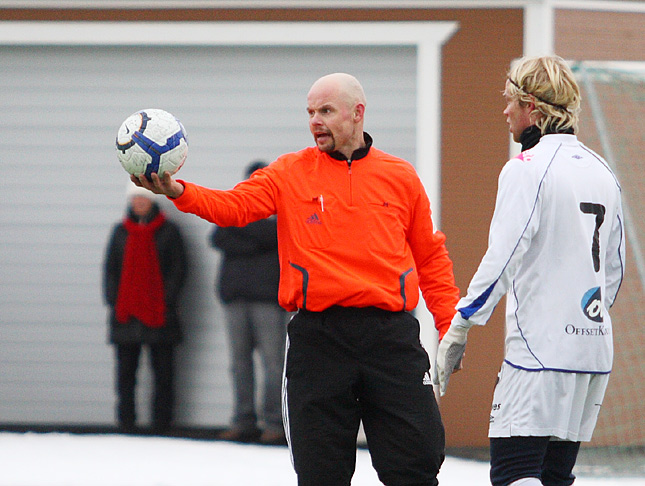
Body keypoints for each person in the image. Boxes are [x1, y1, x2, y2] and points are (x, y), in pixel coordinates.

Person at [132, 72, 460, 485]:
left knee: (415, 466)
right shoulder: (289, 172)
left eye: (325, 111)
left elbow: (431, 258)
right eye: (310, 112)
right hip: (318, 341)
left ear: (357, 113)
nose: (315, 121)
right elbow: (234, 207)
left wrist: (451, 327)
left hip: (390, 339)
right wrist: (180, 191)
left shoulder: (401, 176)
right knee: (320, 473)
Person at [436, 55, 625, 486]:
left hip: (539, 354)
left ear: (532, 108)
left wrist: (461, 324)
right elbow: (613, 273)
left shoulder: (526, 168)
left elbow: (501, 258)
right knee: (554, 476)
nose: (505, 111)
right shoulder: (603, 172)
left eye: (510, 101)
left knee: (513, 473)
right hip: (593, 351)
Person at [210, 160, 287, 445]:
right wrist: (256, 239)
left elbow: (274, 237)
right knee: (239, 364)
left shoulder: (282, 211)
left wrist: (241, 230)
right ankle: (243, 421)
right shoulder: (233, 209)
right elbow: (218, 237)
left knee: (273, 364)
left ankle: (274, 423)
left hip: (269, 299)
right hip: (235, 298)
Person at [103, 183, 188, 435]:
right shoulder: (120, 232)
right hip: (126, 317)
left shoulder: (169, 232)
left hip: (161, 315)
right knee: (126, 375)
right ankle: (126, 423)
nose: (139, 202)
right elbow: (110, 271)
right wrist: (115, 301)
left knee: (163, 374)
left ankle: (162, 425)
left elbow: (179, 270)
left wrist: (166, 301)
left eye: (143, 198)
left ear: (152, 201)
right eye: (135, 198)